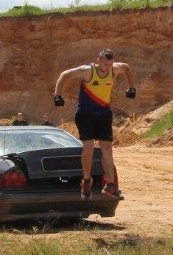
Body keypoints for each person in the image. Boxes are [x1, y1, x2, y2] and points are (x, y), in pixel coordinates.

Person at [53, 48, 136, 200]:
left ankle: (110, 185)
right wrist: (57, 95)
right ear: (98, 61)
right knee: (89, 149)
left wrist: (131, 87)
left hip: (104, 114)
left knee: (107, 149)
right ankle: (86, 180)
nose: (108, 67)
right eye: (105, 64)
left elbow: (126, 67)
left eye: (110, 64)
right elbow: (64, 75)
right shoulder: (87, 71)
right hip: (85, 115)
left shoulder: (114, 69)